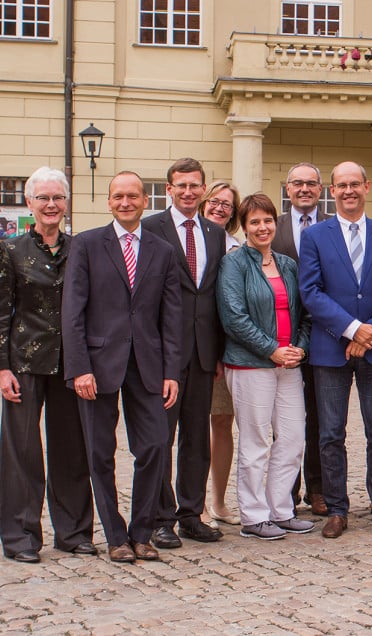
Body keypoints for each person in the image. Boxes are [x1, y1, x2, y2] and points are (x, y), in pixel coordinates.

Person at [62, 171, 182, 563]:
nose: (126, 202)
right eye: (119, 196)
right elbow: (73, 312)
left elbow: (171, 316)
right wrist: (79, 367)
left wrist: (171, 372)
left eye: (133, 195)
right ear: (109, 201)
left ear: (145, 200)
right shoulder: (86, 244)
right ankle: (115, 536)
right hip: (97, 365)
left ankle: (142, 533)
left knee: (154, 447)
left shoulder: (163, 251)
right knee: (100, 452)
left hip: (147, 365)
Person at [0, 166, 95, 564]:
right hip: (25, 362)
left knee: (71, 449)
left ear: (66, 203)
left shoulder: (80, 248)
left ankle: (72, 532)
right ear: (29, 203)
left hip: (70, 363)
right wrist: (3, 368)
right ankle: (20, 536)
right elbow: (0, 313)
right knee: (22, 451)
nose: (51, 205)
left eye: (58, 198)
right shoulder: (13, 250)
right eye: (43, 198)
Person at [298, 161, 372, 539]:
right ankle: (337, 509)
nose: (348, 191)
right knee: (330, 433)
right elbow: (310, 292)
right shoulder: (315, 236)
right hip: (331, 349)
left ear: (367, 186)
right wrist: (352, 330)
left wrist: (369, 334)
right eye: (341, 185)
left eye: (355, 184)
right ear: (332, 190)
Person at [217, 193, 314, 540]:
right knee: (256, 441)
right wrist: (272, 350)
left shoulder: (288, 264)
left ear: (276, 222)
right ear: (244, 227)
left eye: (268, 220)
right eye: (254, 221)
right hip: (250, 365)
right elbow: (234, 318)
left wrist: (298, 350)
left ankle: (281, 510)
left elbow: (305, 316)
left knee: (292, 438)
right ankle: (253, 516)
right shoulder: (235, 263)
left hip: (289, 365)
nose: (262, 227)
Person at [142, 158, 226, 549]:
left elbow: (214, 294)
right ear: (169, 188)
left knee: (196, 436)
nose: (189, 192)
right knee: (161, 436)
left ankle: (191, 514)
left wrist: (220, 350)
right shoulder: (149, 228)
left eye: (195, 186)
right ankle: (161, 517)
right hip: (161, 352)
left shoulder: (215, 232)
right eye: (182, 186)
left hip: (203, 351)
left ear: (203, 189)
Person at [272, 162, 330, 516]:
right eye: (298, 183)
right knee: (285, 420)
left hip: (323, 334)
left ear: (321, 189)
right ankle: (286, 490)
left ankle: (318, 488)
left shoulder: (334, 227)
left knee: (321, 418)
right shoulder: (271, 227)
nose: (304, 188)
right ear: (288, 188)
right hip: (282, 337)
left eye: (311, 183)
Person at [197, 181, 242, 527]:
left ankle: (218, 500)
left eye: (228, 205)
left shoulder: (236, 248)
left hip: (227, 349)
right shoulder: (191, 239)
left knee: (222, 422)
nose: (220, 208)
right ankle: (193, 500)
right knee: (195, 425)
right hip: (198, 348)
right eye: (215, 201)